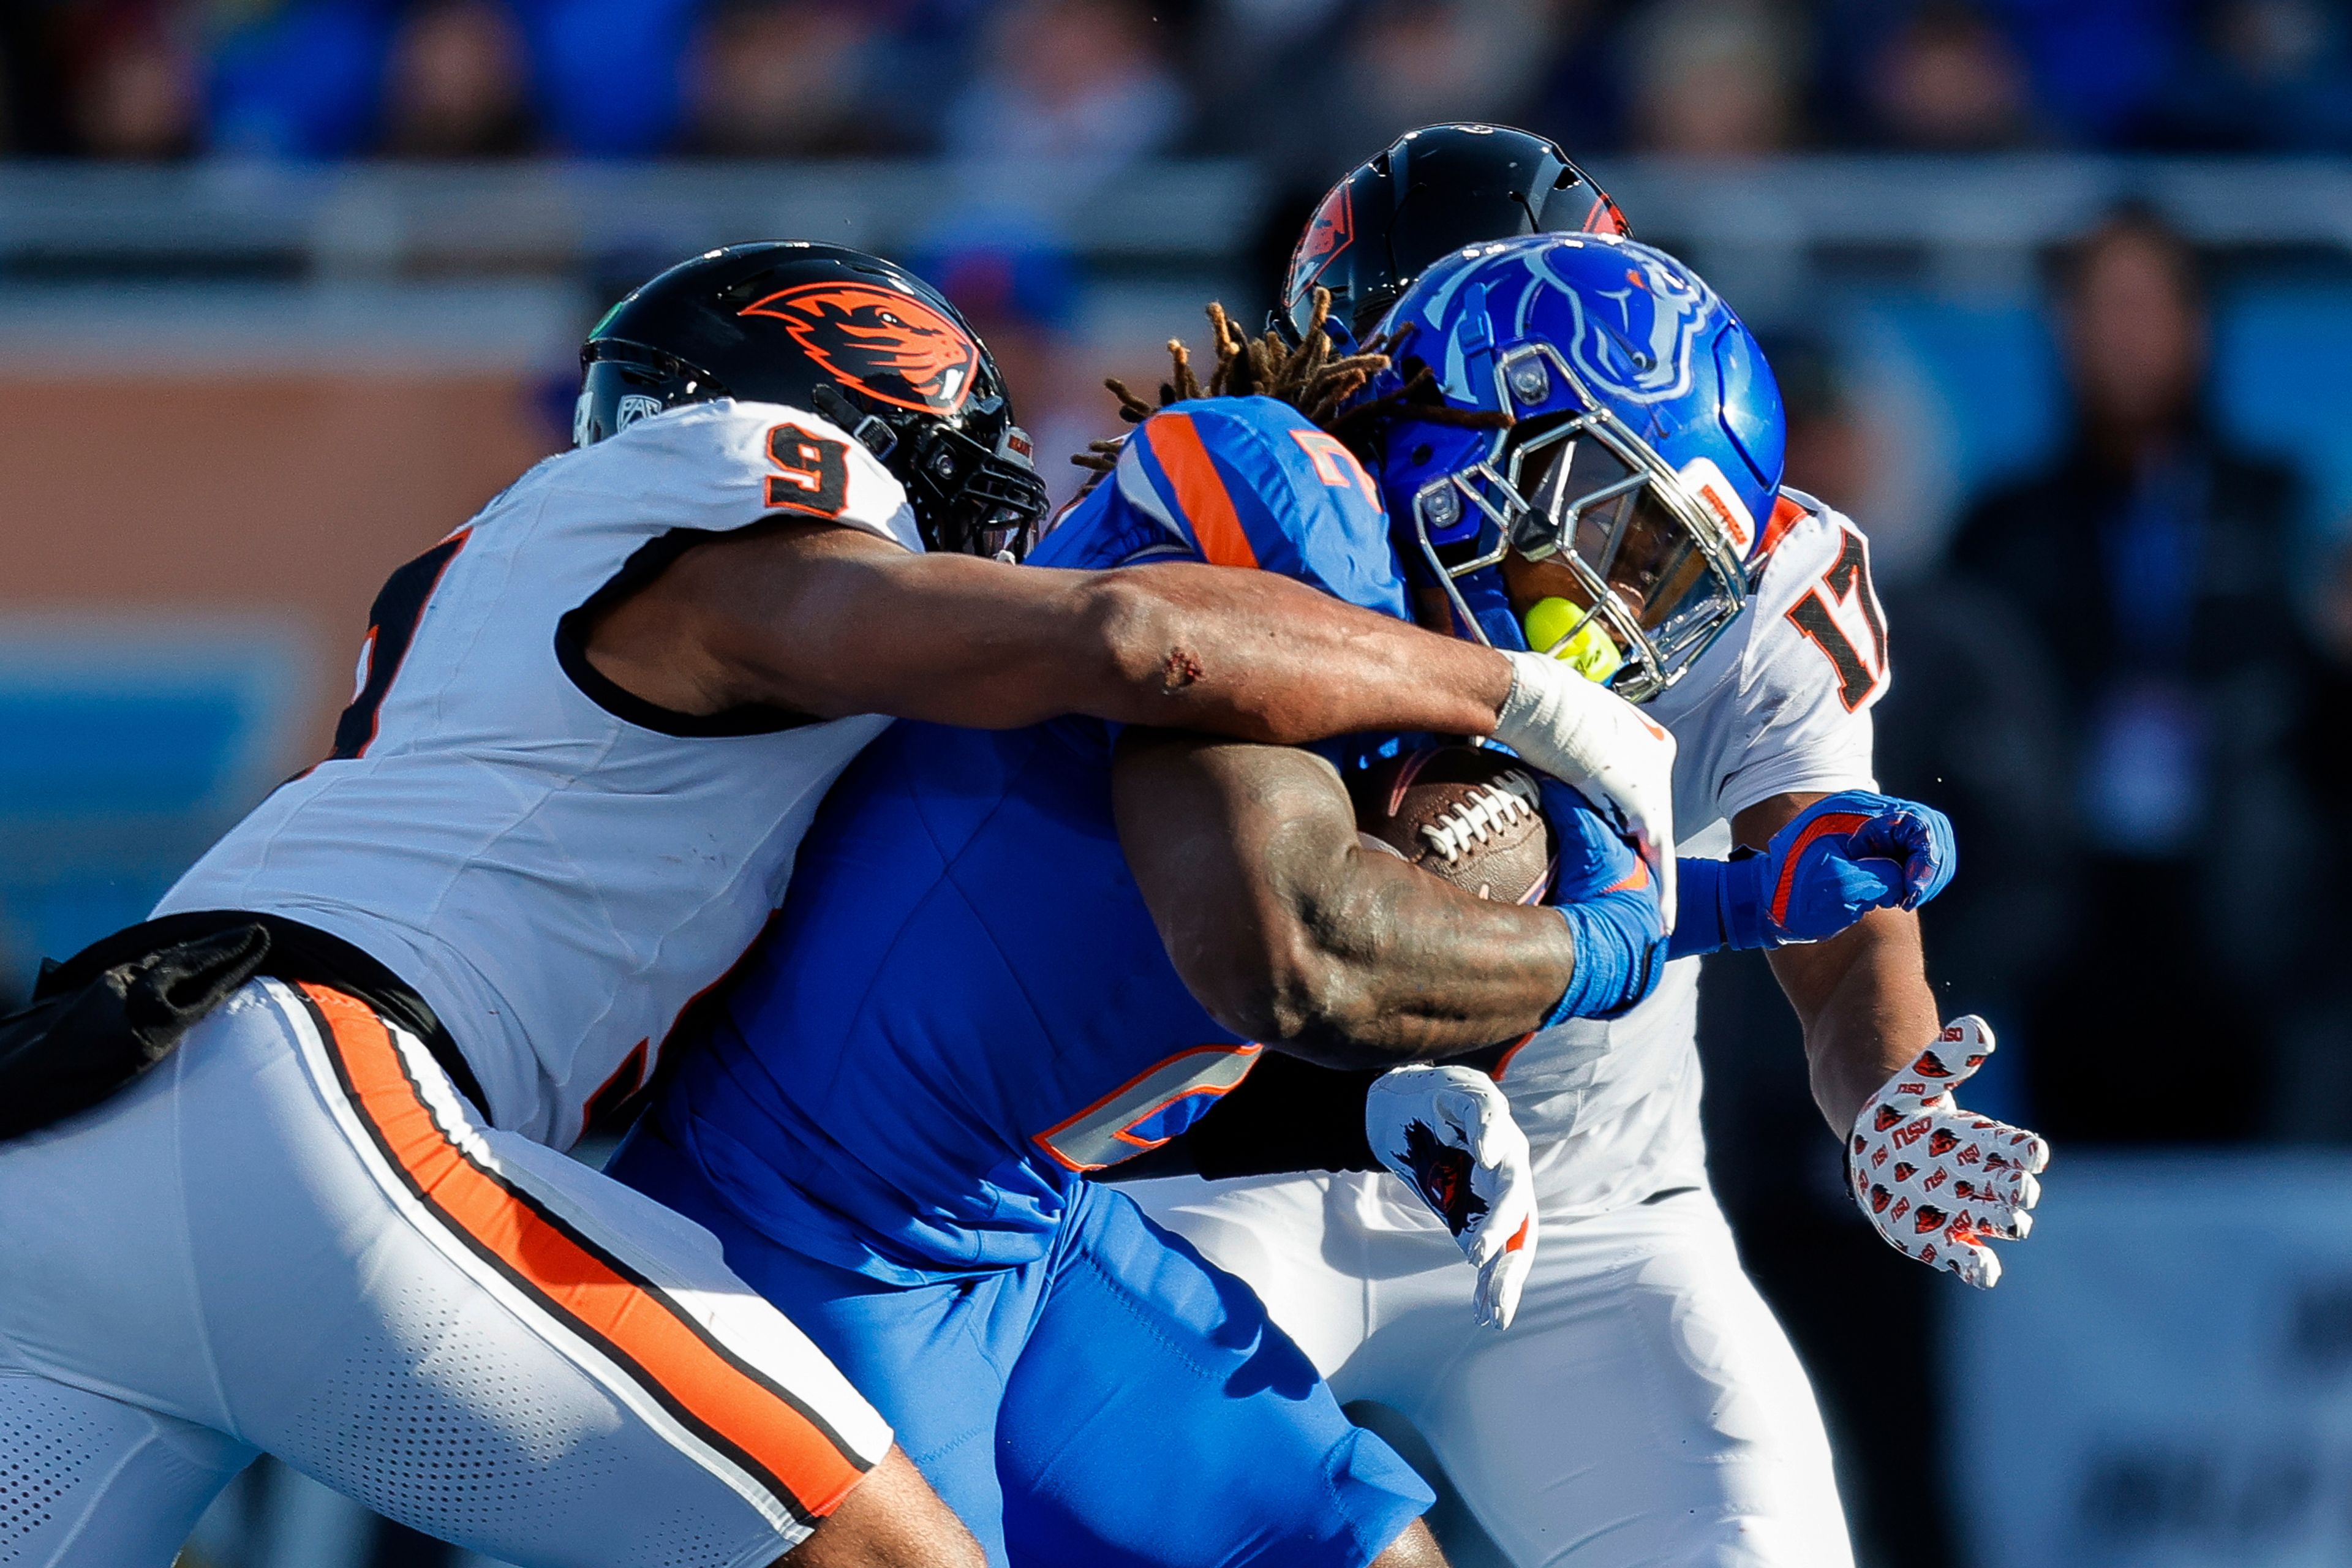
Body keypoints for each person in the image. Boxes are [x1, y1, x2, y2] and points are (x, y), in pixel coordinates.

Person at [0, 241, 1677, 1567]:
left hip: (85, 1128)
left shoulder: (520, 630)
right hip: (317, 1111)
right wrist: (1509, 696)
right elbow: (1124, 643)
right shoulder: (734, 504)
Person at [605, 287, 1943, 1568]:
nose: (1614, 604)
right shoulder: (1276, 499)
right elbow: (1293, 950)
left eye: (1662, 576)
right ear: (1485, 439)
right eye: (1614, 532)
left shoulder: (1410, 661)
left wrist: (1740, 901)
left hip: (1019, 1225)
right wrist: (1619, 941)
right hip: (807, 1232)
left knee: (1351, 1544)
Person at [1126, 133, 2051, 1568]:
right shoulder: (1250, 528)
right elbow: (1282, 932)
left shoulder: (1737, 556)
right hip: (1222, 1181)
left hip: (1591, 1213)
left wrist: (1887, 1095)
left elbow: (1837, 895)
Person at [1947, 205, 2316, 1144]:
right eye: (2100, 309)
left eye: (2147, 307)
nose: (2124, 337)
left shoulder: (2273, 506)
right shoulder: (2007, 527)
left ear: (2197, 327)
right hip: (2066, 934)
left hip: (2241, 931)